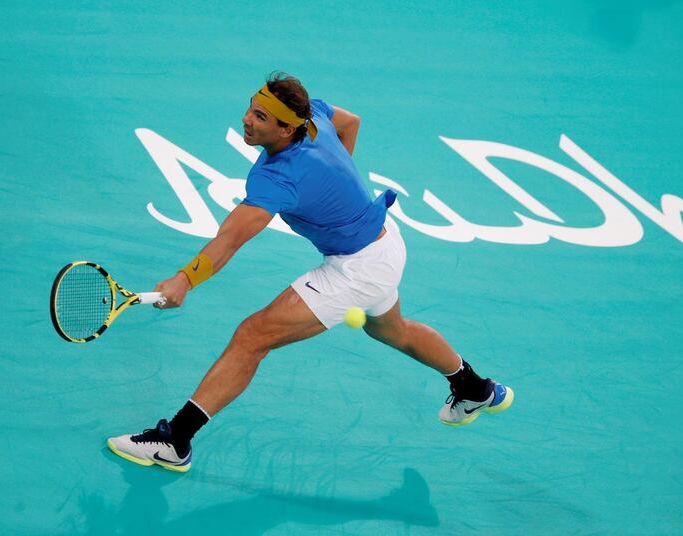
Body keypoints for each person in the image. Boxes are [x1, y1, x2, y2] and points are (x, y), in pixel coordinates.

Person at [107, 72, 514, 473]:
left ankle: (174, 441)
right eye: (251, 108)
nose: (248, 119)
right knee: (392, 330)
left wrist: (184, 279)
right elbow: (350, 122)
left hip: (356, 269)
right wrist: (330, 189)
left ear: (286, 129)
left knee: (252, 337)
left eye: (261, 118)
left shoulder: (277, 178)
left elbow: (230, 239)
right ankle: (474, 387)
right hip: (386, 242)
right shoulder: (315, 117)